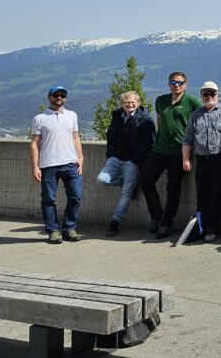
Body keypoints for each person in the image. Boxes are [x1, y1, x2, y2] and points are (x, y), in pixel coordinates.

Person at [140, 72, 202, 238]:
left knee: (173, 188)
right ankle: (157, 217)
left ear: (186, 84)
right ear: (169, 84)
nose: (177, 85)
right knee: (145, 181)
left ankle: (166, 224)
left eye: (180, 83)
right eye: (173, 82)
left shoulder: (192, 102)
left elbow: (201, 121)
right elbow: (159, 120)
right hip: (159, 149)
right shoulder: (161, 100)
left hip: (179, 152)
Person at [181, 81, 221, 242]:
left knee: (216, 195)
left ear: (217, 95)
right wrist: (186, 159)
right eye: (206, 94)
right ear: (201, 95)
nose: (209, 97)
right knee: (201, 195)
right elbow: (187, 139)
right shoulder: (195, 115)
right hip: (201, 160)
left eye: (212, 94)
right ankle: (201, 226)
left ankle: (213, 227)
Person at [97, 91, 155, 237]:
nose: (129, 104)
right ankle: (128, 184)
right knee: (102, 180)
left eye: (132, 102)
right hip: (115, 159)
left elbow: (149, 142)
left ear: (138, 103)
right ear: (122, 104)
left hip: (132, 161)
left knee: (126, 194)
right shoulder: (117, 116)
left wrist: (135, 159)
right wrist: (110, 155)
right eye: (126, 102)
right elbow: (110, 136)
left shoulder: (145, 119)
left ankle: (115, 222)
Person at [30, 86, 85, 243]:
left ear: (65, 98)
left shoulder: (72, 116)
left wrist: (80, 157)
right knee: (49, 200)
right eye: (56, 95)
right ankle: (53, 230)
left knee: (76, 197)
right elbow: (34, 144)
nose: (59, 97)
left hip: (71, 163)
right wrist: (35, 166)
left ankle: (69, 228)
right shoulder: (39, 118)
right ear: (49, 97)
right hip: (48, 165)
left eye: (62, 95)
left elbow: (75, 137)